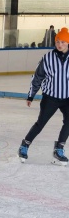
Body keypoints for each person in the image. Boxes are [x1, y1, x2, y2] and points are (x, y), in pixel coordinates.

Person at [18, 27, 69, 166]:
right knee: (41, 123)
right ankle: (25, 145)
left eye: (63, 42)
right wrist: (31, 95)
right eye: (58, 41)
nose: (60, 44)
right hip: (50, 97)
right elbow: (38, 77)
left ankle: (59, 148)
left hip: (67, 98)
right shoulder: (48, 58)